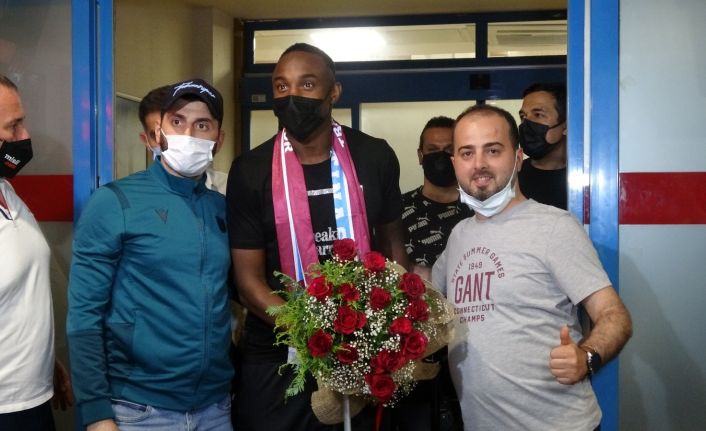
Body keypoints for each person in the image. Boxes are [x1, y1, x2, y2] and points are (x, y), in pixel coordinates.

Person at [227, 42, 408, 431]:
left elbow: (393, 245)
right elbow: (248, 282)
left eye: (307, 84)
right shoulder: (250, 170)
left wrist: (387, 325)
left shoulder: (374, 156)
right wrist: (313, 333)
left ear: (334, 92)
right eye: (281, 86)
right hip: (278, 355)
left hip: (363, 349)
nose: (292, 95)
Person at [432, 104, 632, 430]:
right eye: (467, 153)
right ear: (455, 163)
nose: (479, 164)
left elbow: (615, 315)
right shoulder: (459, 236)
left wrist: (587, 357)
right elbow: (424, 295)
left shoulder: (553, 227)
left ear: (517, 157)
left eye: (493, 150)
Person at [67, 78, 233, 431]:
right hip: (139, 410)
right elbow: (84, 315)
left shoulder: (222, 208)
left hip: (215, 408)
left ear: (218, 140)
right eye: (177, 121)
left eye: (202, 125)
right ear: (158, 132)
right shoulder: (115, 202)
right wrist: (96, 413)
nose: (188, 134)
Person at [0, 74, 73, 430]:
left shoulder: (7, 193)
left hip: (31, 394)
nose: (25, 136)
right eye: (12, 126)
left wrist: (42, 362)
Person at [395, 116, 469, 430]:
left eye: (448, 150)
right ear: (420, 155)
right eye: (432, 150)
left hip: (469, 349)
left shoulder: (479, 212)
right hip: (411, 352)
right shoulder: (396, 212)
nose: (440, 157)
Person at [139, 85, 228, 194]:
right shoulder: (130, 194)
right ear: (147, 140)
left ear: (219, 140)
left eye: (201, 126)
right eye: (176, 123)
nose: (186, 139)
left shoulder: (230, 190)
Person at [518, 82, 568, 209]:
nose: (526, 123)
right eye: (523, 116)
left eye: (538, 115)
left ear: (566, 125)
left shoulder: (585, 178)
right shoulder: (511, 178)